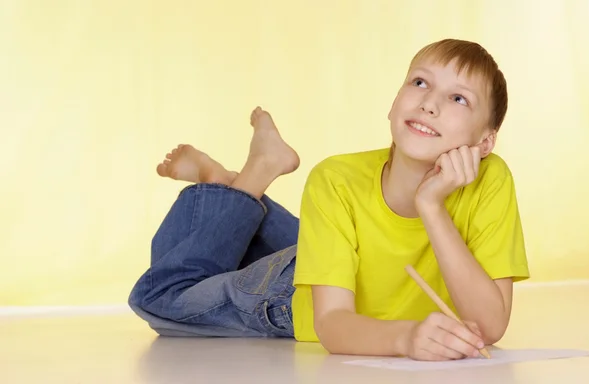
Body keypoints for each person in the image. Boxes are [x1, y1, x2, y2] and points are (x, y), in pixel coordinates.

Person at [128, 38, 530, 361]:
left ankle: (230, 187)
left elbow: (489, 326)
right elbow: (334, 322)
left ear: (484, 142)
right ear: (393, 102)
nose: (429, 103)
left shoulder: (492, 179)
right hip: (295, 291)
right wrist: (408, 338)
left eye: (458, 99)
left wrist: (432, 208)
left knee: (252, 248)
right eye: (420, 83)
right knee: (161, 296)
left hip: (341, 257)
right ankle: (250, 179)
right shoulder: (335, 179)